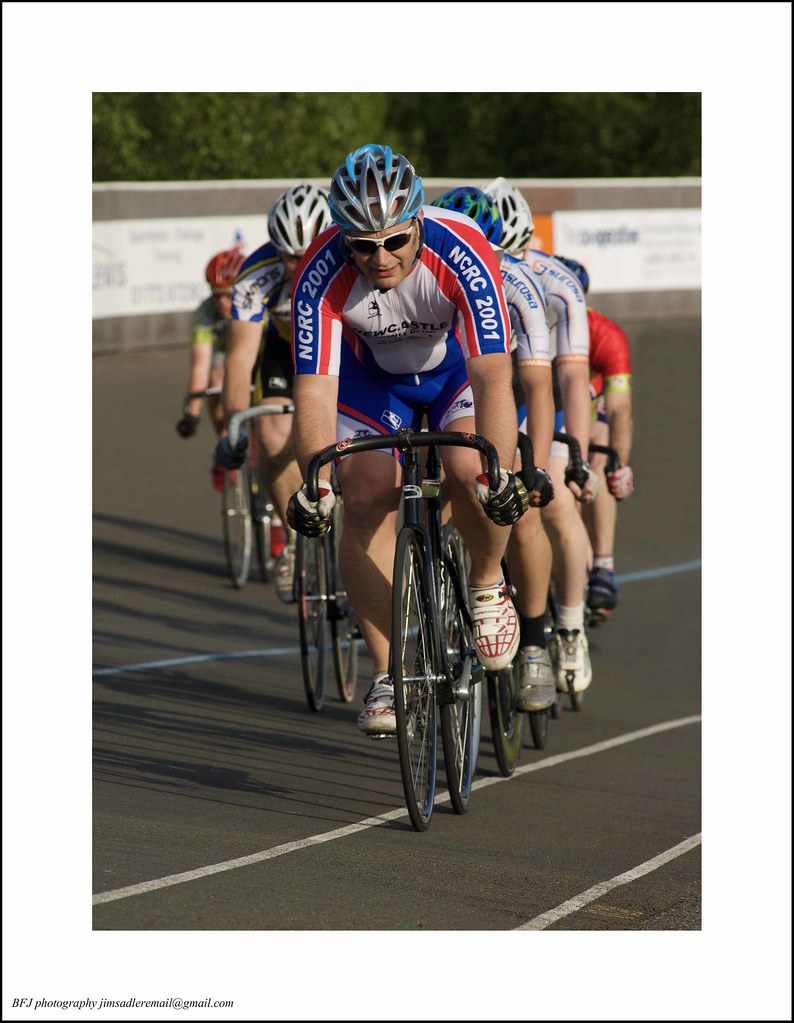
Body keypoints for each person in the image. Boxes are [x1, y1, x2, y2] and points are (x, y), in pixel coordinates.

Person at [284, 144, 533, 735]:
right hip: (372, 381)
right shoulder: (319, 272)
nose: (380, 257)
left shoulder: (462, 249)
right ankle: (388, 672)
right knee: (362, 495)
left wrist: (498, 472)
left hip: (455, 375)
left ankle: (487, 584)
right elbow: (314, 391)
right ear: (342, 238)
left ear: (418, 220)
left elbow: (493, 376)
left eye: (395, 240)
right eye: (362, 245)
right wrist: (315, 482)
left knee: (471, 469)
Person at [431, 185, 557, 714]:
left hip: (508, 395)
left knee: (521, 513)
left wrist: (538, 468)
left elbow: (540, 386)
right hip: (451, 388)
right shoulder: (430, 272)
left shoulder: (516, 284)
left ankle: (535, 643)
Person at [484, 177, 597, 697]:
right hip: (487, 388)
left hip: (540, 395)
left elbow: (572, 378)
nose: (506, 265)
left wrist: (578, 458)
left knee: (553, 503)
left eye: (515, 253)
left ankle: (569, 625)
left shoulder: (557, 285)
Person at [215, 183, 333, 601]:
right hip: (286, 349)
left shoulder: (350, 257)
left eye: (308, 254)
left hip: (344, 347)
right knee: (268, 433)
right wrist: (234, 426)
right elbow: (240, 358)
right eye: (289, 257)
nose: (299, 265)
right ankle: (293, 534)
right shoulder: (256, 275)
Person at [556, 256, 635, 624]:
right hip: (549, 402)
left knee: (598, 462)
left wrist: (620, 462)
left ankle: (603, 564)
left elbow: (620, 409)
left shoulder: (606, 334)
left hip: (589, 403)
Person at [176, 247, 246, 492]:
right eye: (217, 296)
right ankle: (224, 443)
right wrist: (192, 414)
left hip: (257, 349)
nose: (222, 303)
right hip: (224, 355)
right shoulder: (205, 313)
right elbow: (200, 366)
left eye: (228, 295)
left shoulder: (258, 301)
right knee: (216, 382)